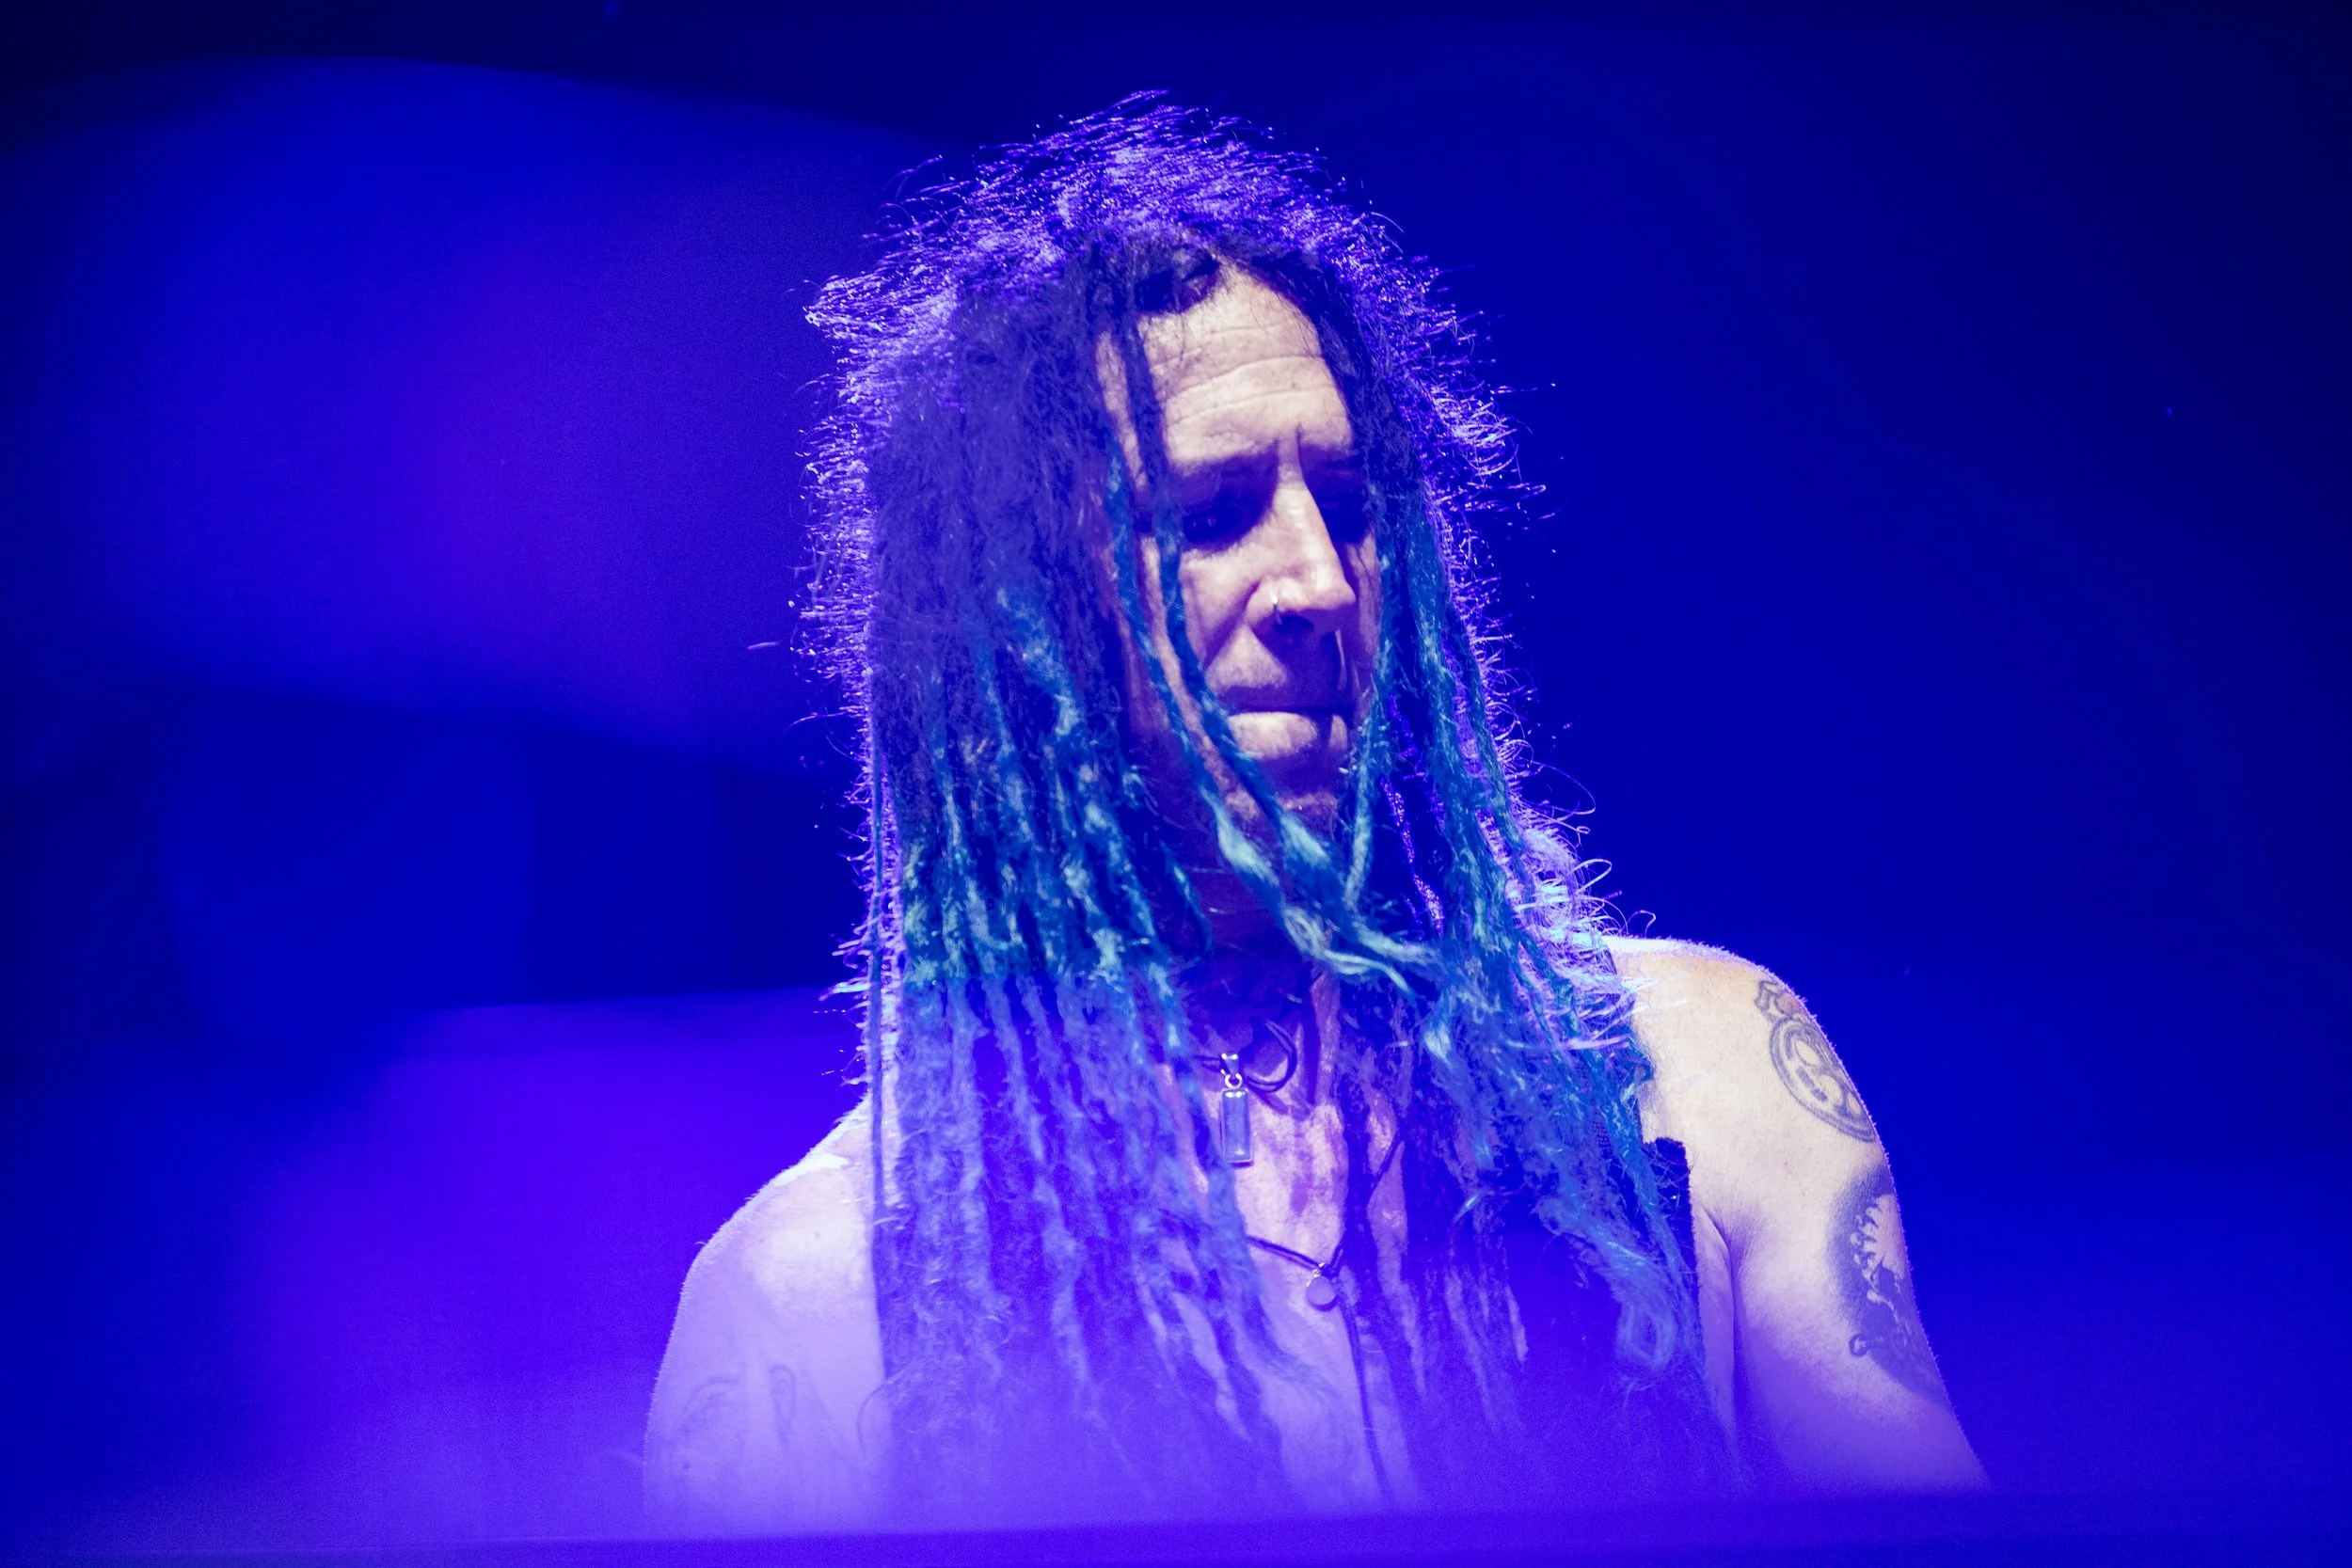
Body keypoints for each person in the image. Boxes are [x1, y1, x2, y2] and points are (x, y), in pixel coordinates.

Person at [644, 102, 1985, 1534]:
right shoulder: (823, 1293)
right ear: (1015, 630)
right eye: (1213, 512)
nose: (1323, 583)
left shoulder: (1704, 1080)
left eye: (1346, 500)